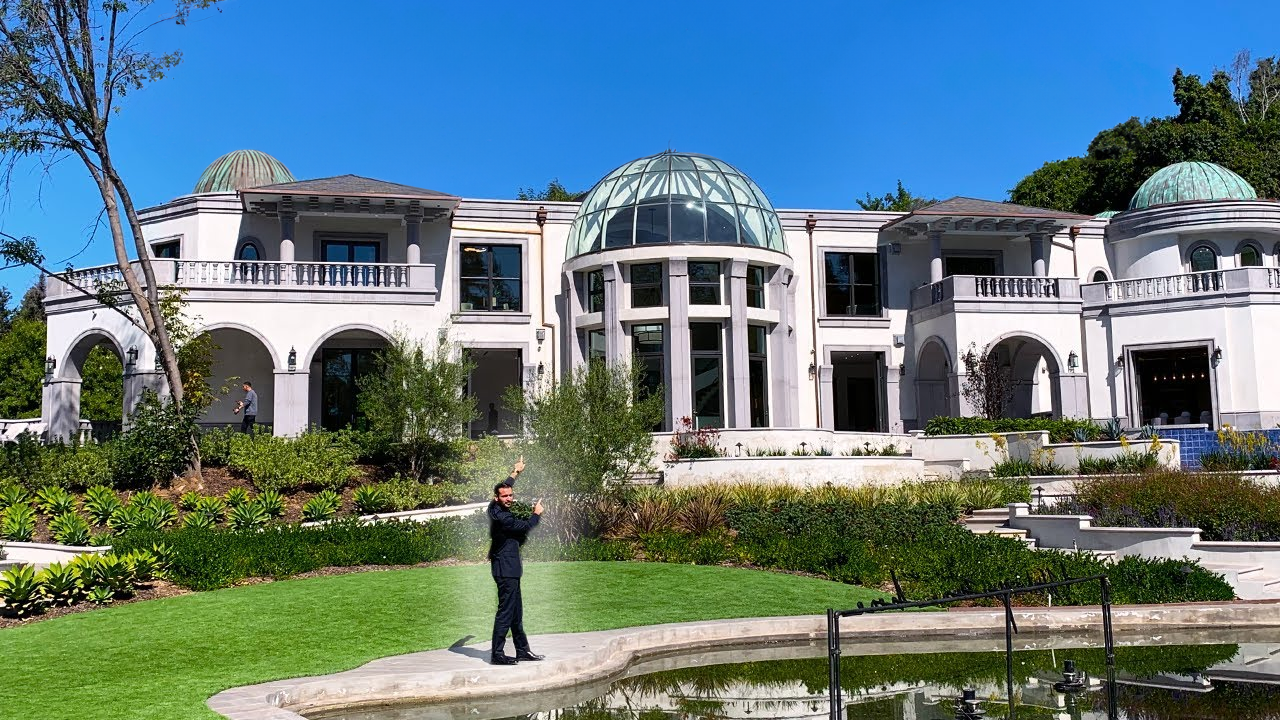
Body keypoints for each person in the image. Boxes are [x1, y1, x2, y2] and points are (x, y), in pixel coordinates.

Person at [488, 455, 544, 665]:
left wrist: (515, 473)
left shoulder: (493, 507)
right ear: (497, 498)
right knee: (505, 612)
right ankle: (497, 654)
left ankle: (522, 650)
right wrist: (536, 514)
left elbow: (505, 486)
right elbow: (526, 526)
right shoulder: (504, 518)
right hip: (506, 570)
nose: (509, 498)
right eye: (505, 496)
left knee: (516, 612)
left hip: (510, 569)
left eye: (511, 495)